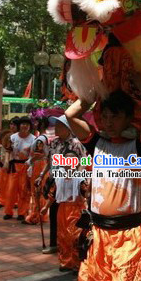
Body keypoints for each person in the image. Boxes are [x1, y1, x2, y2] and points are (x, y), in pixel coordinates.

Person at [65, 89, 141, 281]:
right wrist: (92, 91)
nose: (108, 122)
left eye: (115, 116)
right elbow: (70, 115)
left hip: (128, 236)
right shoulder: (96, 144)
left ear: (129, 117)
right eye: (105, 116)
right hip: (98, 233)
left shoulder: (140, 148)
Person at [36, 114, 87, 254]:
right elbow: (49, 161)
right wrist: (41, 175)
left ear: (67, 128)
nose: (56, 128)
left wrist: (79, 178)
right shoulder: (54, 142)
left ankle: (72, 246)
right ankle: (55, 243)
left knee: (71, 218)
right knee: (54, 213)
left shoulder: (76, 144)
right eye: (56, 125)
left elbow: (83, 162)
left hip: (71, 183)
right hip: (55, 180)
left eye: (59, 126)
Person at [41, 150, 87, 272]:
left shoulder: (80, 178)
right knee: (63, 236)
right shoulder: (58, 177)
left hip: (76, 209)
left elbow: (86, 193)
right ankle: (66, 262)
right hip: (62, 209)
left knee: (75, 237)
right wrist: (45, 207)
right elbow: (53, 194)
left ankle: (77, 263)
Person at [3, 116, 35, 220]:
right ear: (19, 125)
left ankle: (22, 213)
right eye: (22, 124)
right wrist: (6, 162)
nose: (24, 126)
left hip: (26, 166)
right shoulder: (13, 137)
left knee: (24, 191)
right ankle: (8, 212)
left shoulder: (33, 139)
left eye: (27, 124)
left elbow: (34, 155)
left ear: (30, 126)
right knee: (11, 190)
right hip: (14, 166)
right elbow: (8, 150)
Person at [24, 116, 50, 225]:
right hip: (41, 164)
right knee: (39, 191)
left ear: (42, 125)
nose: (35, 125)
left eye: (37, 123)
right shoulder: (43, 137)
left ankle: (35, 216)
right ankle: (39, 215)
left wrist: (29, 161)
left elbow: (39, 154)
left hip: (38, 165)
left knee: (37, 191)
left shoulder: (40, 139)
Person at [0, 117, 19, 208]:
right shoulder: (6, 135)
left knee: (13, 185)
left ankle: (14, 201)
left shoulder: (20, 137)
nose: (12, 126)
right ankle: (0, 200)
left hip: (14, 164)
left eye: (14, 124)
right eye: (11, 124)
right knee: (2, 182)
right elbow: (0, 147)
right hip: (4, 162)